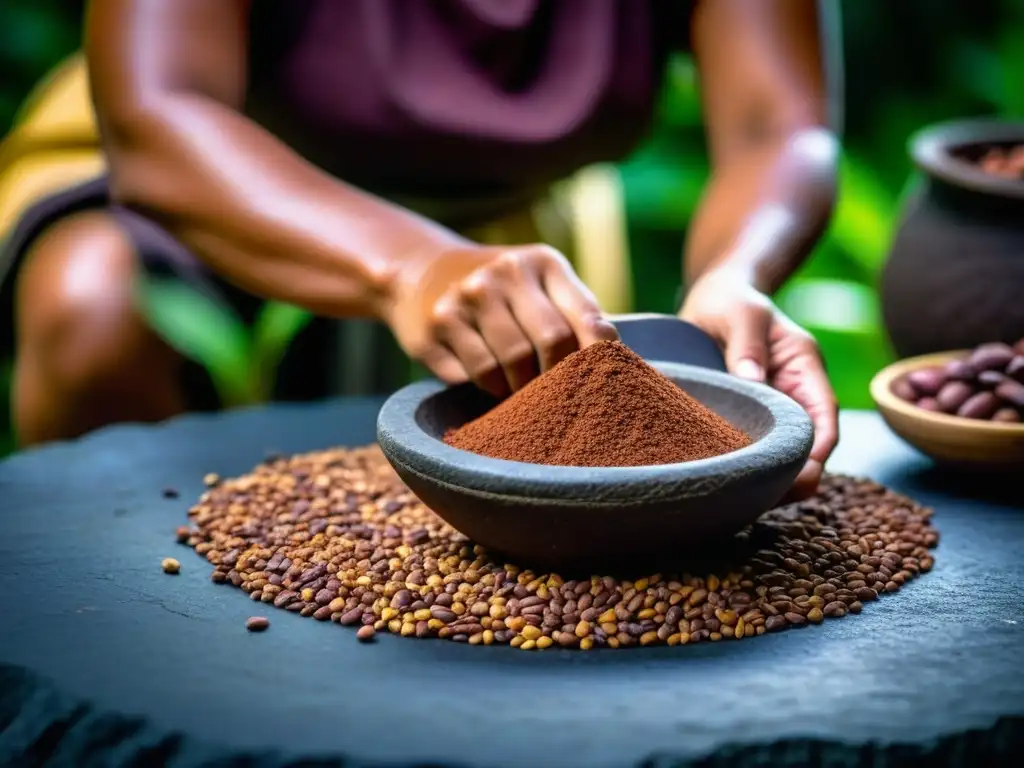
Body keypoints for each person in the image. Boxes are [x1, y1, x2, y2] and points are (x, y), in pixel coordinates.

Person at [2, 0, 840, 497]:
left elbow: (778, 126)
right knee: (92, 314)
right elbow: (159, 118)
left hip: (498, 220)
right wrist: (412, 266)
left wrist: (733, 276)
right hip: (220, 164)